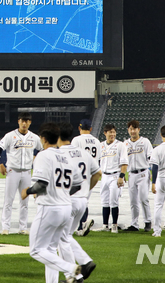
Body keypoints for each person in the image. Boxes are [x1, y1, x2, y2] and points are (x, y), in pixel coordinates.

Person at [21, 123, 84, 283]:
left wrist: (27, 191)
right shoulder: (66, 157)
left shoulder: (43, 155)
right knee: (49, 249)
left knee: (36, 250)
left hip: (49, 208)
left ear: (43, 138)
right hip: (65, 207)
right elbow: (77, 183)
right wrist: (62, 193)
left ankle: (71, 269)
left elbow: (41, 184)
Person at [57, 122, 101, 280]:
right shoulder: (83, 153)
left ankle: (73, 275)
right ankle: (86, 262)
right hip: (82, 200)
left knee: (61, 238)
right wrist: (87, 189)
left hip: (67, 200)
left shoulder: (58, 153)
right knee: (67, 236)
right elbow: (97, 174)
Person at [0, 112, 43, 235]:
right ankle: (5, 227)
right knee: (8, 200)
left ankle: (22, 227)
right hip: (13, 171)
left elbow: (42, 149)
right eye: (22, 120)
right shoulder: (10, 136)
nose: (24, 123)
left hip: (27, 172)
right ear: (18, 121)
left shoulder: (34, 137)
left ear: (30, 122)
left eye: (27, 121)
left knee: (25, 202)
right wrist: (1, 164)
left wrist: (35, 156)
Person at [70, 119, 101, 233]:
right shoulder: (97, 141)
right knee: (84, 201)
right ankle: (82, 225)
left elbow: (72, 157)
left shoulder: (76, 140)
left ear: (79, 128)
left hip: (78, 175)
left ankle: (77, 227)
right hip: (91, 174)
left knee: (73, 201)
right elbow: (98, 160)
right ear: (91, 129)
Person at [98, 123, 129, 233]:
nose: (112, 134)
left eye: (114, 132)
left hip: (115, 175)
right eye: (110, 132)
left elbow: (124, 163)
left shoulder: (120, 145)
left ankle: (114, 225)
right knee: (104, 201)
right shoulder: (101, 145)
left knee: (113, 201)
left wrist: (121, 176)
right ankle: (105, 225)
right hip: (104, 176)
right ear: (105, 133)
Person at [124, 120, 153, 232]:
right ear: (128, 130)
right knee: (133, 201)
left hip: (143, 173)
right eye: (130, 129)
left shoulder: (145, 141)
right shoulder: (125, 144)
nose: (132, 131)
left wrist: (150, 171)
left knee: (143, 198)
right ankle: (134, 224)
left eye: (134, 128)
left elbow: (151, 157)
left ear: (138, 130)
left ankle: (147, 221)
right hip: (131, 174)